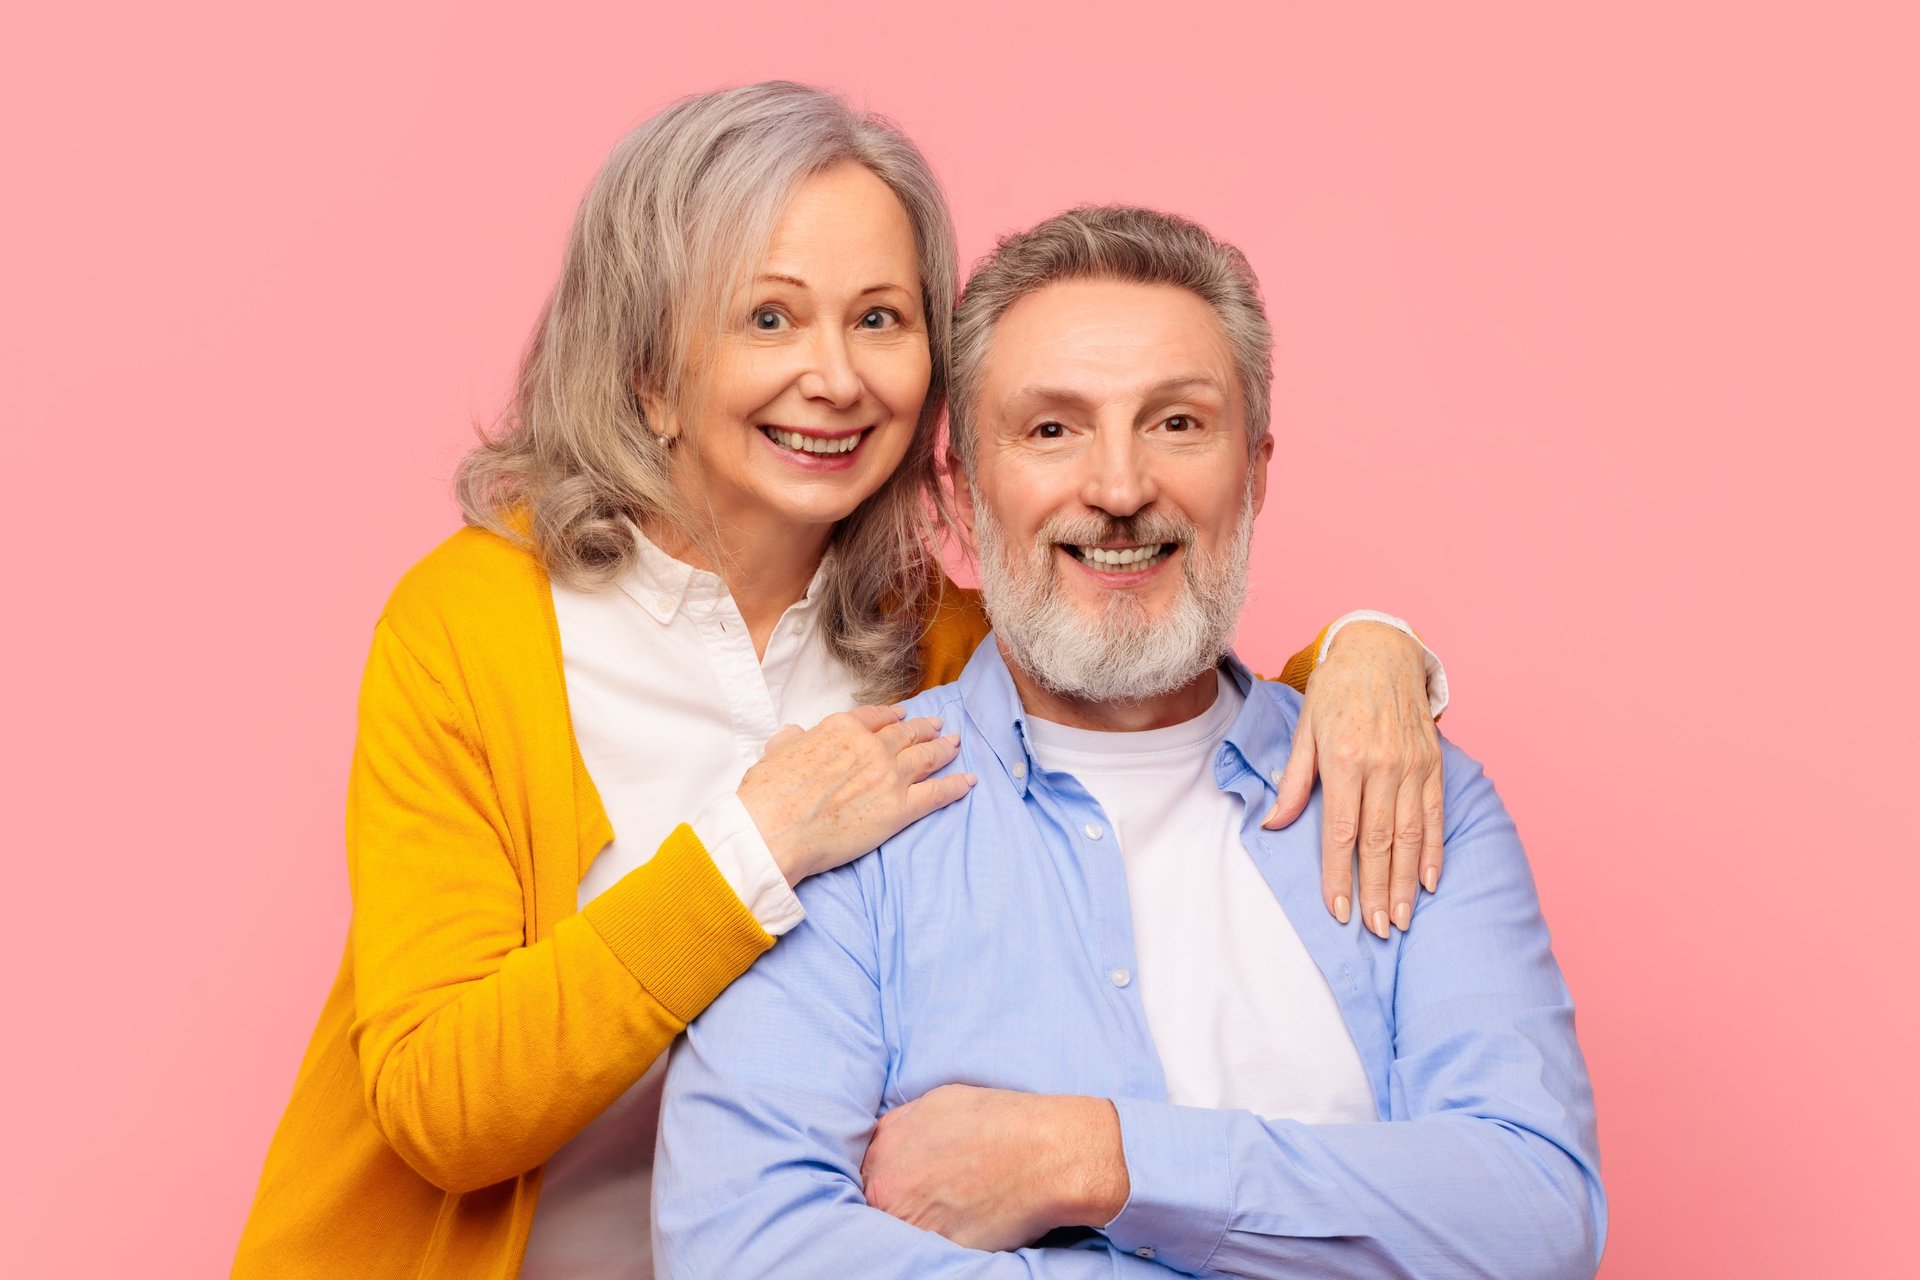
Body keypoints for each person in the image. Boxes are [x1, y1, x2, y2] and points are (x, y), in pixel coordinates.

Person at [233, 85, 1450, 1279]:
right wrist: (752, 848)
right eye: (769, 318)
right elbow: (444, 1106)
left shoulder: (947, 642)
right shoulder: (478, 622)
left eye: (879, 318)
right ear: (648, 369)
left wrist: (1367, 650)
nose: (837, 377)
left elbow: (1160, 698)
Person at [654, 206, 1604, 1279]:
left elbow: (1535, 1220)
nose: (1117, 489)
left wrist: (1091, 1156)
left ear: (1255, 470)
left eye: (1177, 423)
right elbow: (743, 1249)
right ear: (963, 487)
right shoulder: (842, 824)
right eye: (1051, 430)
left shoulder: (1414, 800)